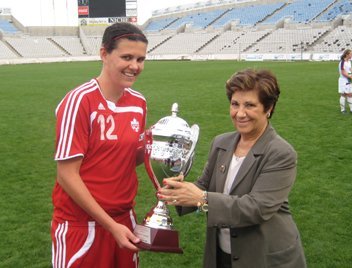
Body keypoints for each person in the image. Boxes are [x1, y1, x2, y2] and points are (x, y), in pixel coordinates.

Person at [159, 69, 307, 268]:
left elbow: (257, 208)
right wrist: (175, 192)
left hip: (264, 257)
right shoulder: (221, 142)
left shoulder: (281, 152)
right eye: (235, 104)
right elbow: (204, 185)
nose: (240, 113)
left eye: (250, 105)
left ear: (269, 108)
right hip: (221, 253)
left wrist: (202, 199)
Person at [51, 22, 148, 268]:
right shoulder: (79, 101)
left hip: (124, 220)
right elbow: (66, 175)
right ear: (104, 54)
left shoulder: (138, 102)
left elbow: (128, 158)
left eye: (140, 59)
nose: (134, 66)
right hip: (82, 225)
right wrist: (109, 225)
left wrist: (155, 145)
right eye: (126, 57)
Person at [338, 49, 352, 114]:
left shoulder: (349, 62)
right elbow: (342, 72)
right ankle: (343, 110)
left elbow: (351, 70)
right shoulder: (342, 62)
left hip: (349, 80)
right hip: (343, 80)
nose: (351, 55)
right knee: (344, 94)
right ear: (347, 54)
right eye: (351, 54)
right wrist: (349, 76)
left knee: (350, 94)